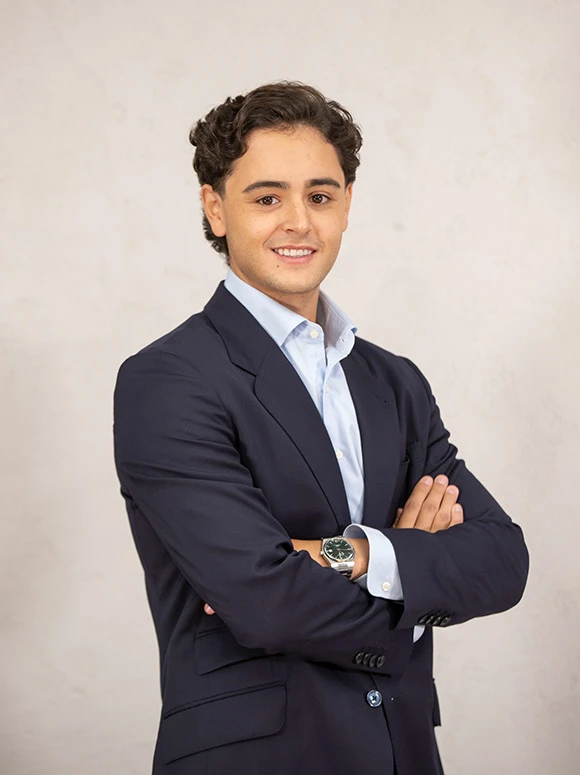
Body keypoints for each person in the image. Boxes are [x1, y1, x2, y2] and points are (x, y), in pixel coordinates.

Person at [113, 81, 529, 775]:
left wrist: (360, 553)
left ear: (346, 207)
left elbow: (503, 560)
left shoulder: (394, 381)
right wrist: (418, 574)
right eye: (267, 197)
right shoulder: (169, 379)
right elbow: (265, 601)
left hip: (402, 752)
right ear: (216, 209)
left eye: (320, 195)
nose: (298, 222)